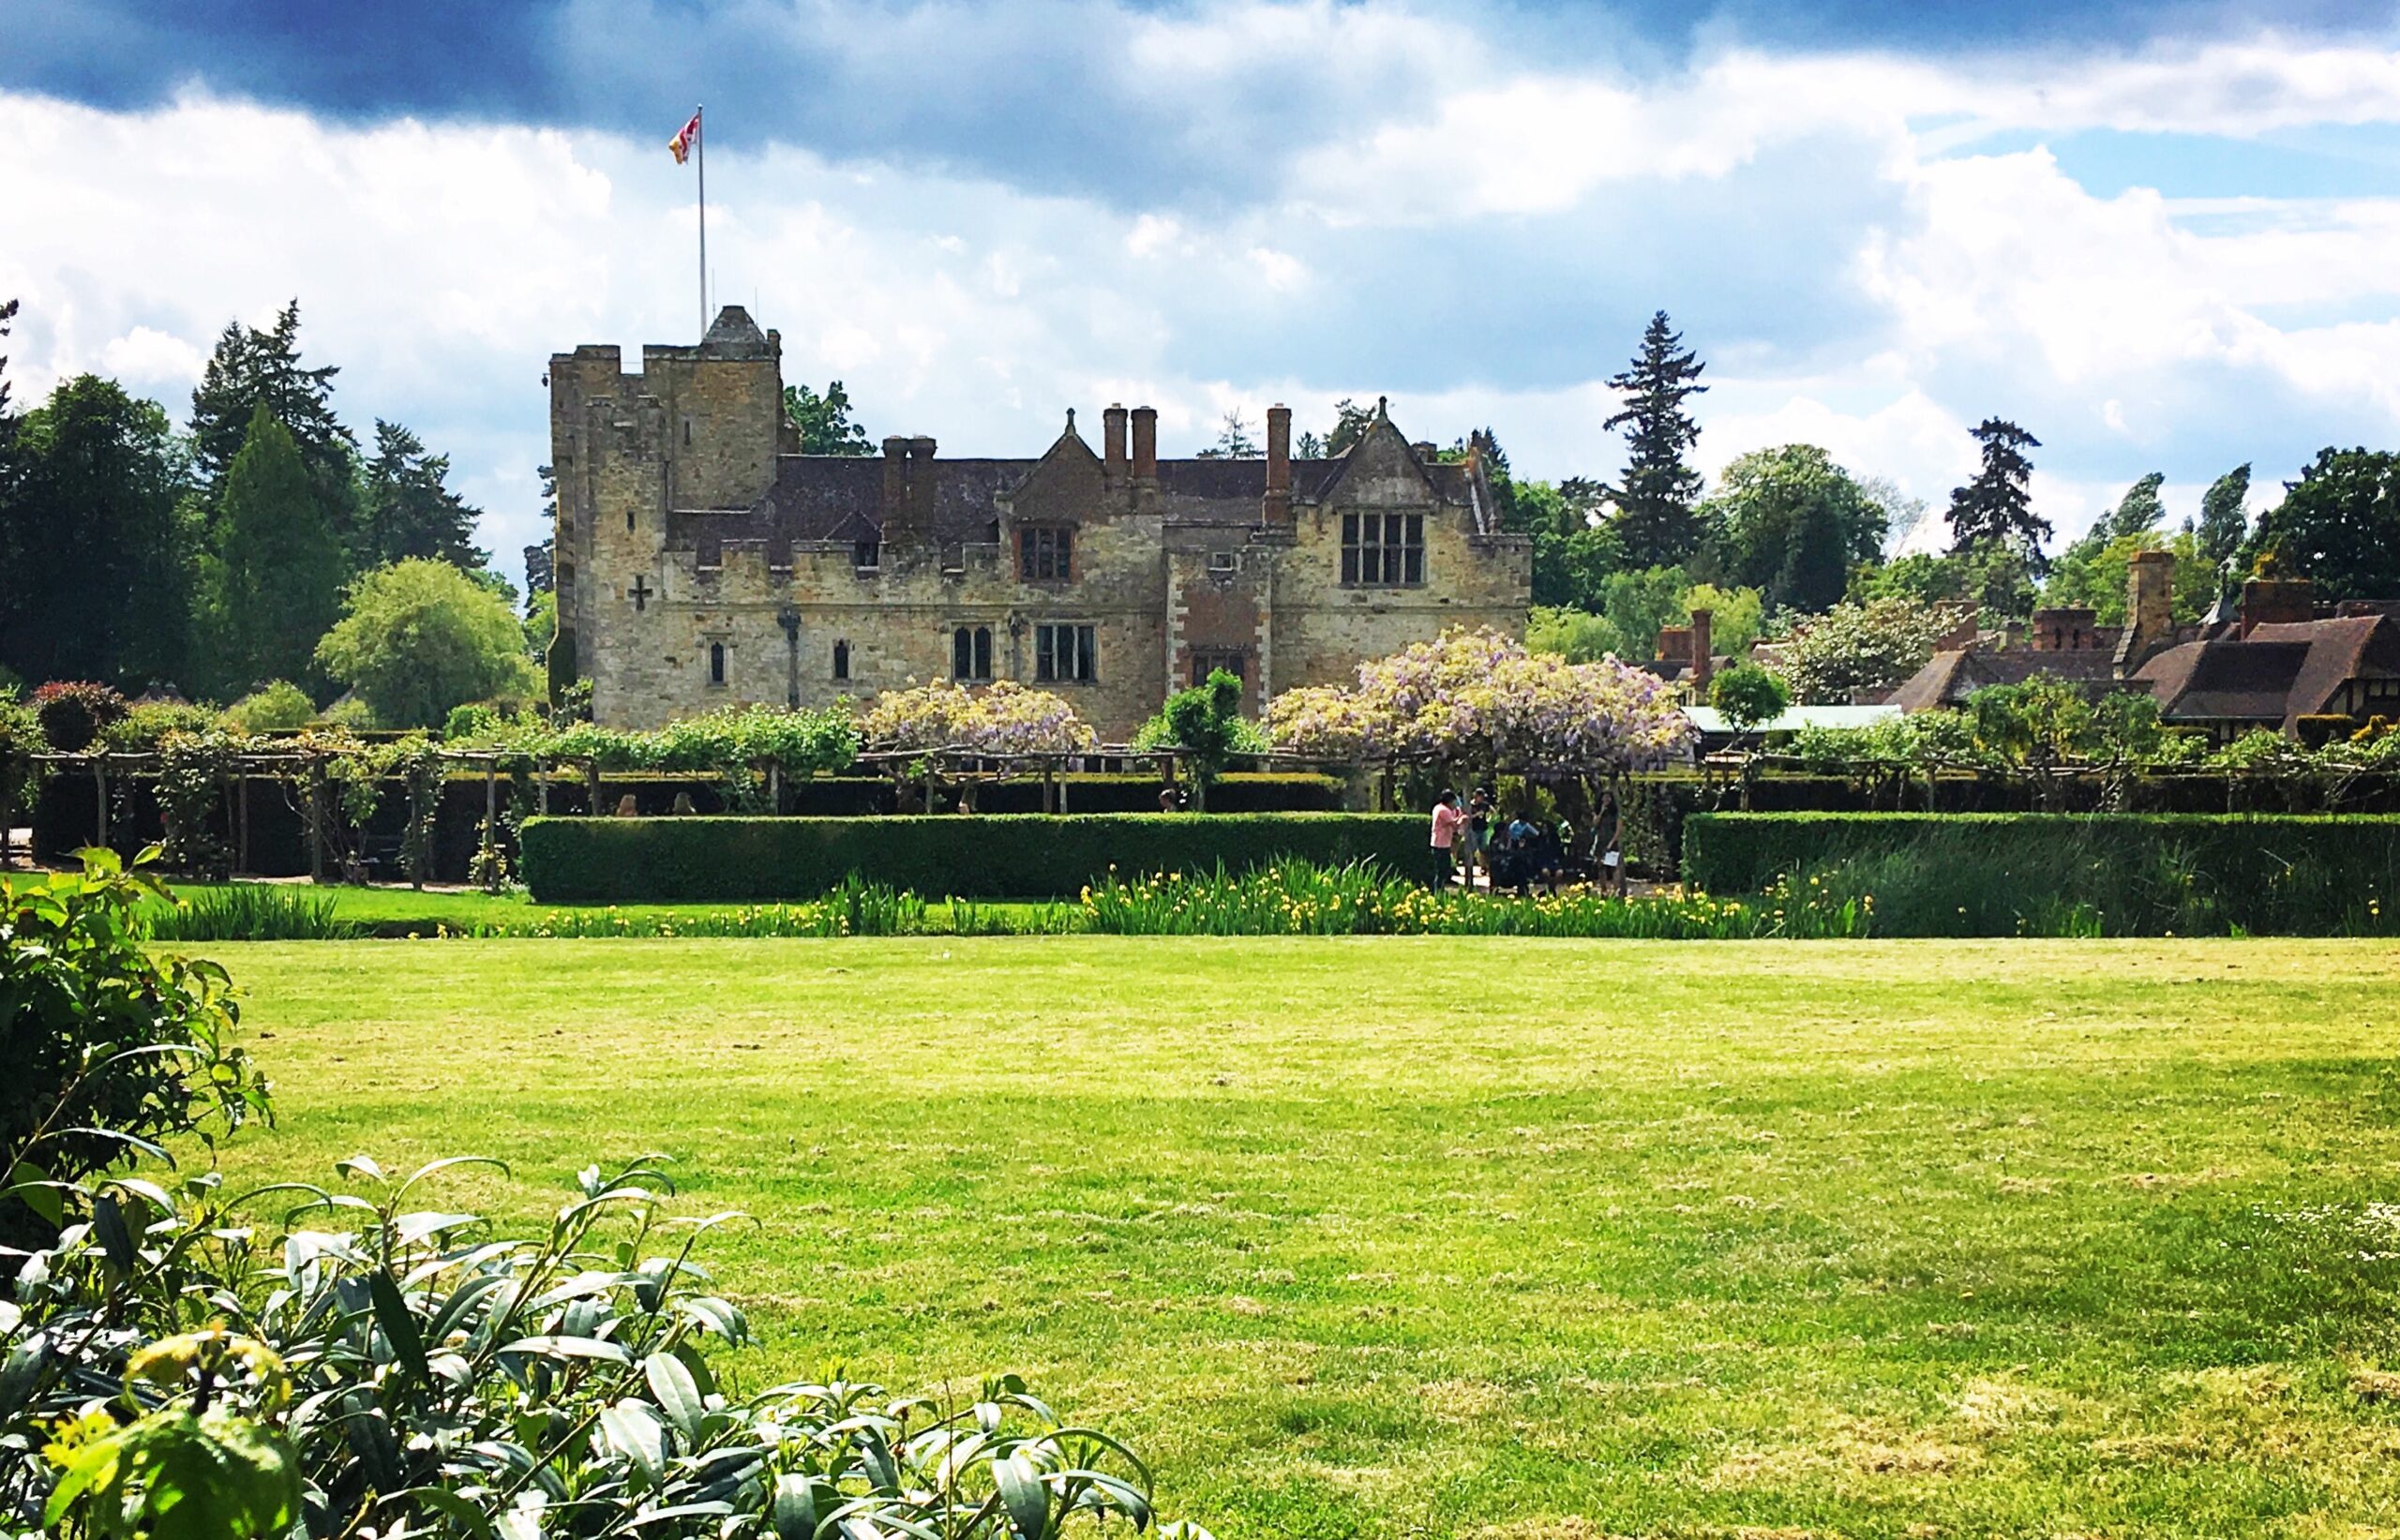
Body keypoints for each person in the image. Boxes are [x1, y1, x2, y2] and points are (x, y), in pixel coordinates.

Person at [1429, 790, 1463, 888]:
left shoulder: (1438, 807)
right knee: (1442, 870)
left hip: (1442, 843)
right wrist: (1462, 819)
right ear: (1449, 801)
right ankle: (1437, 889)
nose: (1455, 804)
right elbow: (1454, 825)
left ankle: (1440, 887)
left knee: (1444, 868)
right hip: (1441, 844)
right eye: (1454, 802)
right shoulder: (1443, 810)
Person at [1594, 790, 1626, 897]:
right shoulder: (1598, 812)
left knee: (1613, 867)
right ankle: (1604, 890)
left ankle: (1616, 890)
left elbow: (1619, 830)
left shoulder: (1615, 814)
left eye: (1608, 797)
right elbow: (1595, 824)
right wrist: (1601, 812)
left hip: (1612, 842)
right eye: (1604, 797)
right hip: (1600, 842)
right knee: (1601, 867)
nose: (1606, 800)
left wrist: (1611, 843)